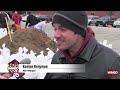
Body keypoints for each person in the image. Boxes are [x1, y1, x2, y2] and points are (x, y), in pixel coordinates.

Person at [44, 11, 120, 79]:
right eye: (55, 29)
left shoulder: (111, 62)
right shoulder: (58, 57)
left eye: (63, 29)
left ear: (78, 31)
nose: (55, 35)